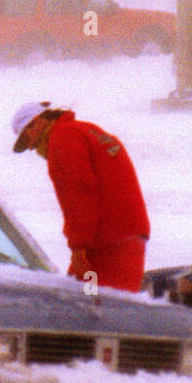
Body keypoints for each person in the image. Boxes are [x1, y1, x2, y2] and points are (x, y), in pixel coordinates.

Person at [11, 101, 150, 292]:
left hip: (105, 246)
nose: (29, 144)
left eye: (27, 132)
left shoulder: (63, 139)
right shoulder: (86, 130)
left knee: (88, 306)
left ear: (41, 120)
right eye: (24, 142)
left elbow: (79, 193)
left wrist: (79, 249)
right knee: (104, 307)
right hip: (129, 237)